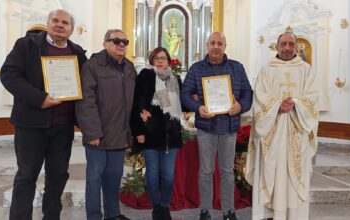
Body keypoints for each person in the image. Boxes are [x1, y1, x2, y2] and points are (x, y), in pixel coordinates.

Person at [0, 9, 87, 220]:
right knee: (26, 177)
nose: (60, 25)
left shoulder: (78, 53)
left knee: (57, 177)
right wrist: (40, 99)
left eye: (65, 22)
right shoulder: (26, 45)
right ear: (48, 24)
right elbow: (9, 75)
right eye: (55, 20)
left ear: (71, 29)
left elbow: (86, 87)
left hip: (63, 128)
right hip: (31, 125)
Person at [245, 31, 319, 220]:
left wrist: (295, 102)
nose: (287, 48)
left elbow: (312, 96)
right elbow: (260, 96)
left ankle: (294, 215)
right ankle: (271, 214)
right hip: (272, 132)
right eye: (283, 44)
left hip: (297, 129)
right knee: (273, 171)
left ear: (297, 47)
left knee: (295, 173)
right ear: (276, 47)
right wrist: (278, 105)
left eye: (291, 44)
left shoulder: (306, 70)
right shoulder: (267, 69)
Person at [181, 32, 253, 220]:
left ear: (225, 46)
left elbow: (247, 92)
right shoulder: (196, 69)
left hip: (229, 127)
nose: (216, 46)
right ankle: (205, 210)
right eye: (212, 43)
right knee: (206, 170)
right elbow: (185, 94)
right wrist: (198, 107)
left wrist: (240, 106)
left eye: (219, 43)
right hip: (206, 127)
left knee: (227, 171)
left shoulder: (237, 68)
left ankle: (229, 211)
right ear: (207, 45)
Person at [75, 29, 136, 220]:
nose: (121, 45)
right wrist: (92, 132)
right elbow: (86, 101)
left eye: (124, 42)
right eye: (116, 41)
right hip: (98, 135)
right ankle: (94, 216)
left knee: (114, 177)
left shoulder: (129, 67)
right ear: (105, 43)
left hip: (119, 133)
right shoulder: (92, 66)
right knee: (94, 179)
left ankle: (113, 214)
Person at [130, 47, 183, 220]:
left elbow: (184, 104)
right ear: (152, 60)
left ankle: (165, 205)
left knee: (168, 174)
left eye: (164, 58)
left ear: (169, 61)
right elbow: (137, 103)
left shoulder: (175, 79)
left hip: (171, 134)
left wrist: (197, 99)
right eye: (157, 58)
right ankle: (156, 207)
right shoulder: (146, 75)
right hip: (150, 132)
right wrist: (138, 130)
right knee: (152, 172)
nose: (160, 61)